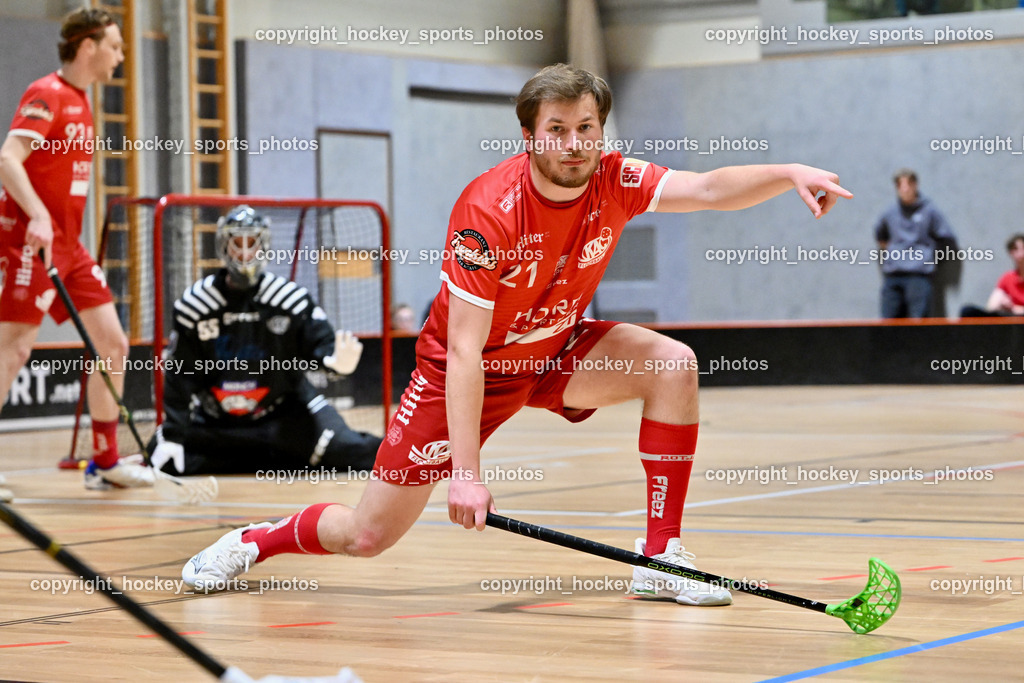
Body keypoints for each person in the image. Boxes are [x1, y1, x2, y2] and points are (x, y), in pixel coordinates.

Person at [182, 64, 851, 605]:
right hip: (465, 372)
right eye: (557, 130)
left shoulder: (614, 178)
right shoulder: (488, 214)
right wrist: (466, 475)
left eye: (586, 128)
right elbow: (464, 349)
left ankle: (660, 558)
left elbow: (705, 189)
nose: (573, 144)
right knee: (367, 535)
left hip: (555, 350)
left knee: (672, 365)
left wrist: (789, 174)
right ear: (530, 136)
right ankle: (254, 540)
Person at [0, 8, 152, 501]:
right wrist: (37, 215)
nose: (121, 56)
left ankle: (104, 462)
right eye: (115, 46)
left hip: (70, 246)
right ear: (88, 46)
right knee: (13, 350)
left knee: (113, 344)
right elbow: (8, 159)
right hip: (30, 240)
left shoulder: (83, 101)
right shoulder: (47, 93)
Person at [148, 205, 381, 477]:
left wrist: (335, 363)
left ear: (264, 247)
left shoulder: (290, 300)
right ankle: (276, 458)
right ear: (223, 246)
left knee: (351, 450)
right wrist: (173, 434)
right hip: (217, 422)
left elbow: (321, 347)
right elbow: (180, 375)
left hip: (284, 416)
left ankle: (422, 457)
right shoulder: (195, 305)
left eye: (252, 243)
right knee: (160, 454)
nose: (245, 253)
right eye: (237, 243)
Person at [874, 168, 958, 319]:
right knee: (889, 324)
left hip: (919, 275)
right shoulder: (890, 212)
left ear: (915, 186)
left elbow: (946, 238)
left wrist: (929, 257)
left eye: (908, 185)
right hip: (893, 275)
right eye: (900, 186)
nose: (904, 190)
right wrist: (893, 253)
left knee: (918, 323)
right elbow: (880, 235)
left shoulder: (929, 211)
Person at [959, 233, 1024, 318]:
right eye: (1013, 249)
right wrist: (1002, 304)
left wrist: (1014, 308)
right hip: (1009, 318)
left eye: (1021, 248)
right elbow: (991, 307)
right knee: (968, 311)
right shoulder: (1007, 278)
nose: (1018, 253)